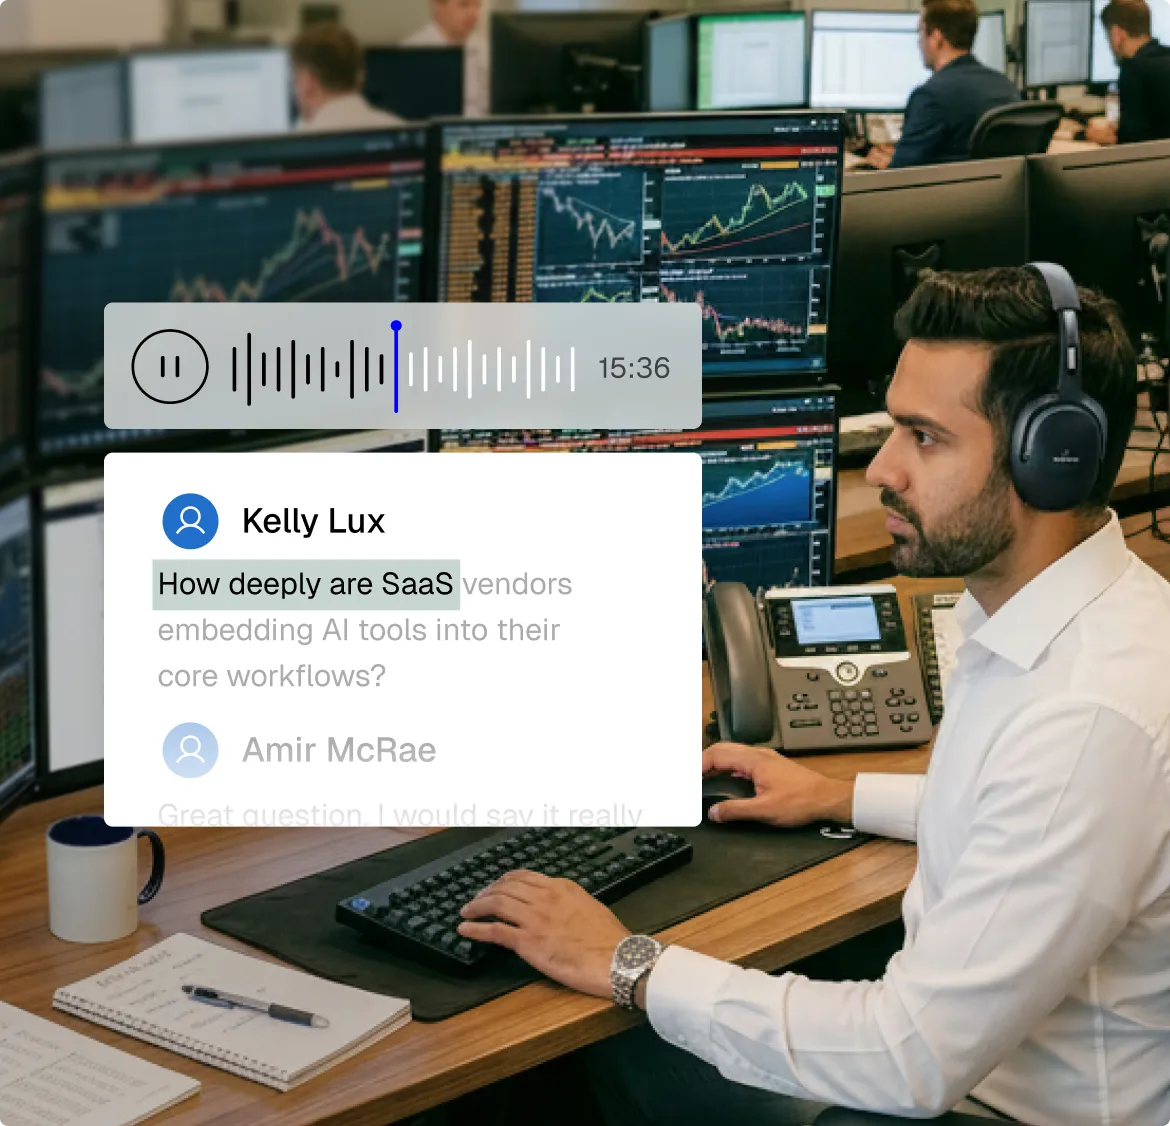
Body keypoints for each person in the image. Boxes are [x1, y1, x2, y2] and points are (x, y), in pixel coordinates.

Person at [458, 265, 1170, 1124]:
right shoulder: (1097, 616)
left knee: (598, 1054)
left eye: (926, 437)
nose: (883, 470)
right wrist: (843, 794)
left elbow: (907, 1058)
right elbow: (1023, 814)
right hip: (997, 1062)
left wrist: (625, 959)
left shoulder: (1086, 715)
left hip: (993, 1105)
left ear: (1051, 456)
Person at [866, 0, 1019, 169]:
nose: (919, 42)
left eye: (921, 32)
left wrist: (887, 164)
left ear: (937, 38)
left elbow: (899, 175)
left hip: (944, 193)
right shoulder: (1006, 87)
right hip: (992, 192)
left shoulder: (930, 96)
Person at [1085, 0, 1170, 145]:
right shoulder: (1165, 57)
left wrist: (1097, 136)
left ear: (1117, 34)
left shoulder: (1133, 70)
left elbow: (1130, 143)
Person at [291, 23, 404, 131]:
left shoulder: (298, 142)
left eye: (295, 80)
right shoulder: (399, 128)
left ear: (306, 82)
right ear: (361, 76)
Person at [403, 0, 489, 118]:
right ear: (437, 5)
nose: (473, 14)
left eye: (477, 5)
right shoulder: (411, 54)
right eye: (463, 4)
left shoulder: (486, 50)